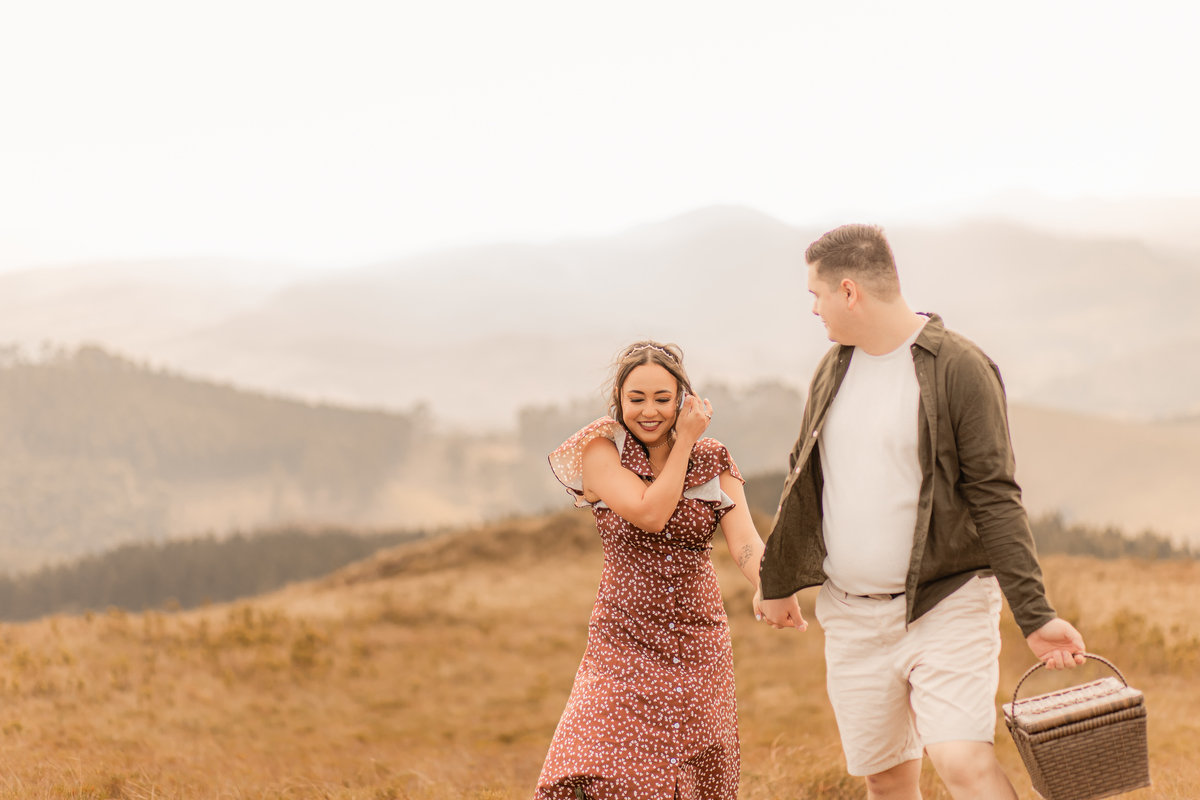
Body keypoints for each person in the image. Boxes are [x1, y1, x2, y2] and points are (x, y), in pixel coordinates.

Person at [756, 224, 1087, 800]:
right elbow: (802, 475)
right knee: (887, 781)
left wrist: (1035, 616)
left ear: (849, 291)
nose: (814, 309)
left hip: (947, 603)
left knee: (962, 761)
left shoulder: (959, 367)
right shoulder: (833, 368)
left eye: (817, 294)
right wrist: (777, 580)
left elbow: (994, 495)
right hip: (852, 615)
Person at [534, 341, 767, 800]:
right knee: (596, 761)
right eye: (636, 398)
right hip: (624, 637)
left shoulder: (714, 458)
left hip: (698, 641)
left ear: (682, 399)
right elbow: (650, 513)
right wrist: (685, 442)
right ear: (619, 399)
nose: (649, 411)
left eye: (662, 398)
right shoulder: (602, 452)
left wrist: (774, 588)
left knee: (695, 768)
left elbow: (745, 543)